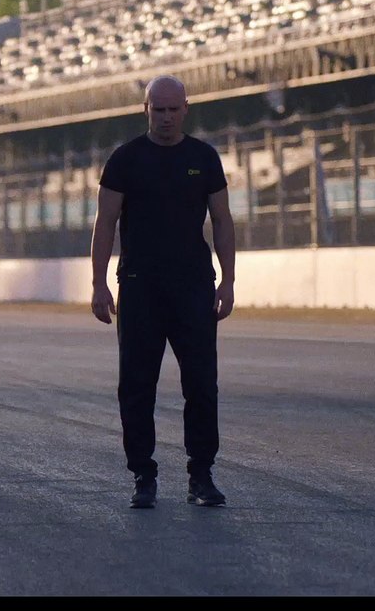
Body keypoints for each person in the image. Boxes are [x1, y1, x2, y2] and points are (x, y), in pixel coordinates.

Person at [90, 75, 236, 510]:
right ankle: (143, 475)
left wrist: (228, 280)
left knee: (201, 385)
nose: (167, 118)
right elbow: (105, 223)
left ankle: (201, 475)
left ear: (186, 109)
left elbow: (223, 223)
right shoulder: (124, 160)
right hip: (139, 287)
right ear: (146, 110)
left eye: (174, 110)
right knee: (136, 385)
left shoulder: (203, 158)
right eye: (159, 110)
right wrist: (99, 282)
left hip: (193, 285)